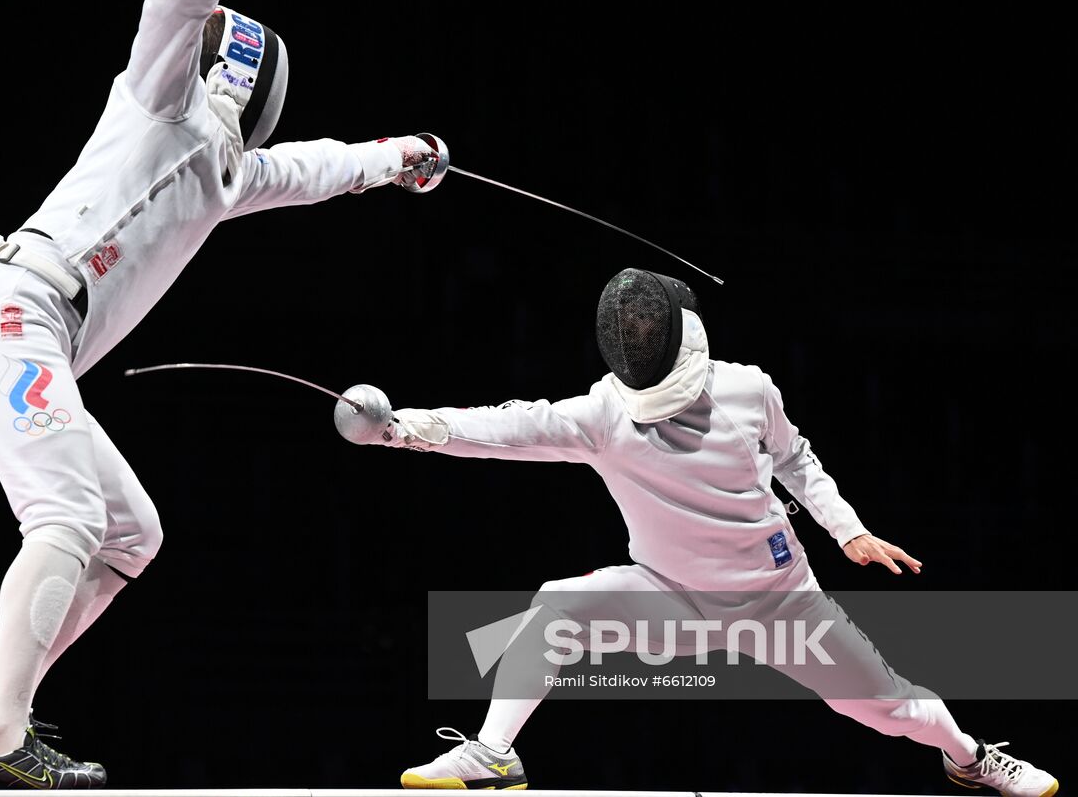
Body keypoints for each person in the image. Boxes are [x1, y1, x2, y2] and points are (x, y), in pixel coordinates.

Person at [0, 0, 445, 787]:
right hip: (12, 317)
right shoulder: (157, 106)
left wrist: (403, 156)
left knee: (131, 534)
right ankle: (0, 745)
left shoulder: (230, 177)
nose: (198, 51)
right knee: (69, 515)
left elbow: (325, 167)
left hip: (26, 342)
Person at [346, 268, 1057, 796]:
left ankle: (971, 757)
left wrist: (848, 530)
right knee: (554, 605)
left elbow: (796, 459)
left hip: (781, 605)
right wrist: (411, 429)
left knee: (891, 707)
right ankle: (493, 756)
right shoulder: (602, 414)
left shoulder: (750, 388)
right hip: (673, 594)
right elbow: (506, 425)